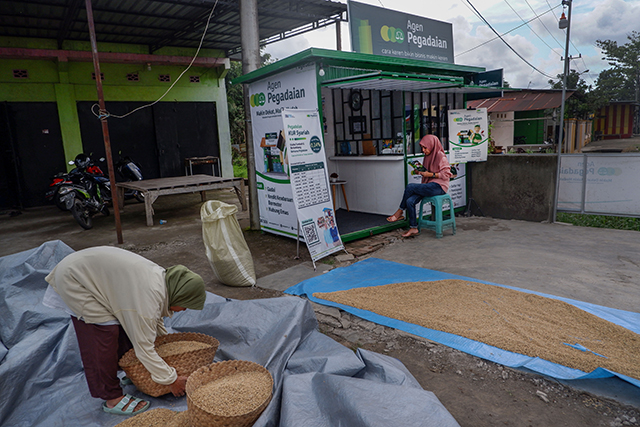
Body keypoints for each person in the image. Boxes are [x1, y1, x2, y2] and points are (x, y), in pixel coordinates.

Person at [43, 246, 206, 416]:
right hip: (77, 279)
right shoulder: (147, 299)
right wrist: (171, 380)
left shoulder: (162, 284)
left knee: (127, 326)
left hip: (90, 271)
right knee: (103, 335)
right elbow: (144, 345)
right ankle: (112, 398)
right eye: (186, 304)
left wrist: (168, 353)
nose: (185, 310)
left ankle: (134, 372)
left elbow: (153, 326)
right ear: (179, 295)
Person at [387, 134, 452, 237]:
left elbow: (447, 174)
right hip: (428, 185)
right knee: (410, 201)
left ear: (431, 145)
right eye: (422, 148)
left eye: (425, 147)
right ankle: (413, 228)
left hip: (439, 187)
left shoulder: (440, 155)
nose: (423, 150)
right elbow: (427, 172)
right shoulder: (427, 156)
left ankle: (399, 211)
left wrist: (430, 175)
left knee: (410, 187)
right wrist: (420, 172)